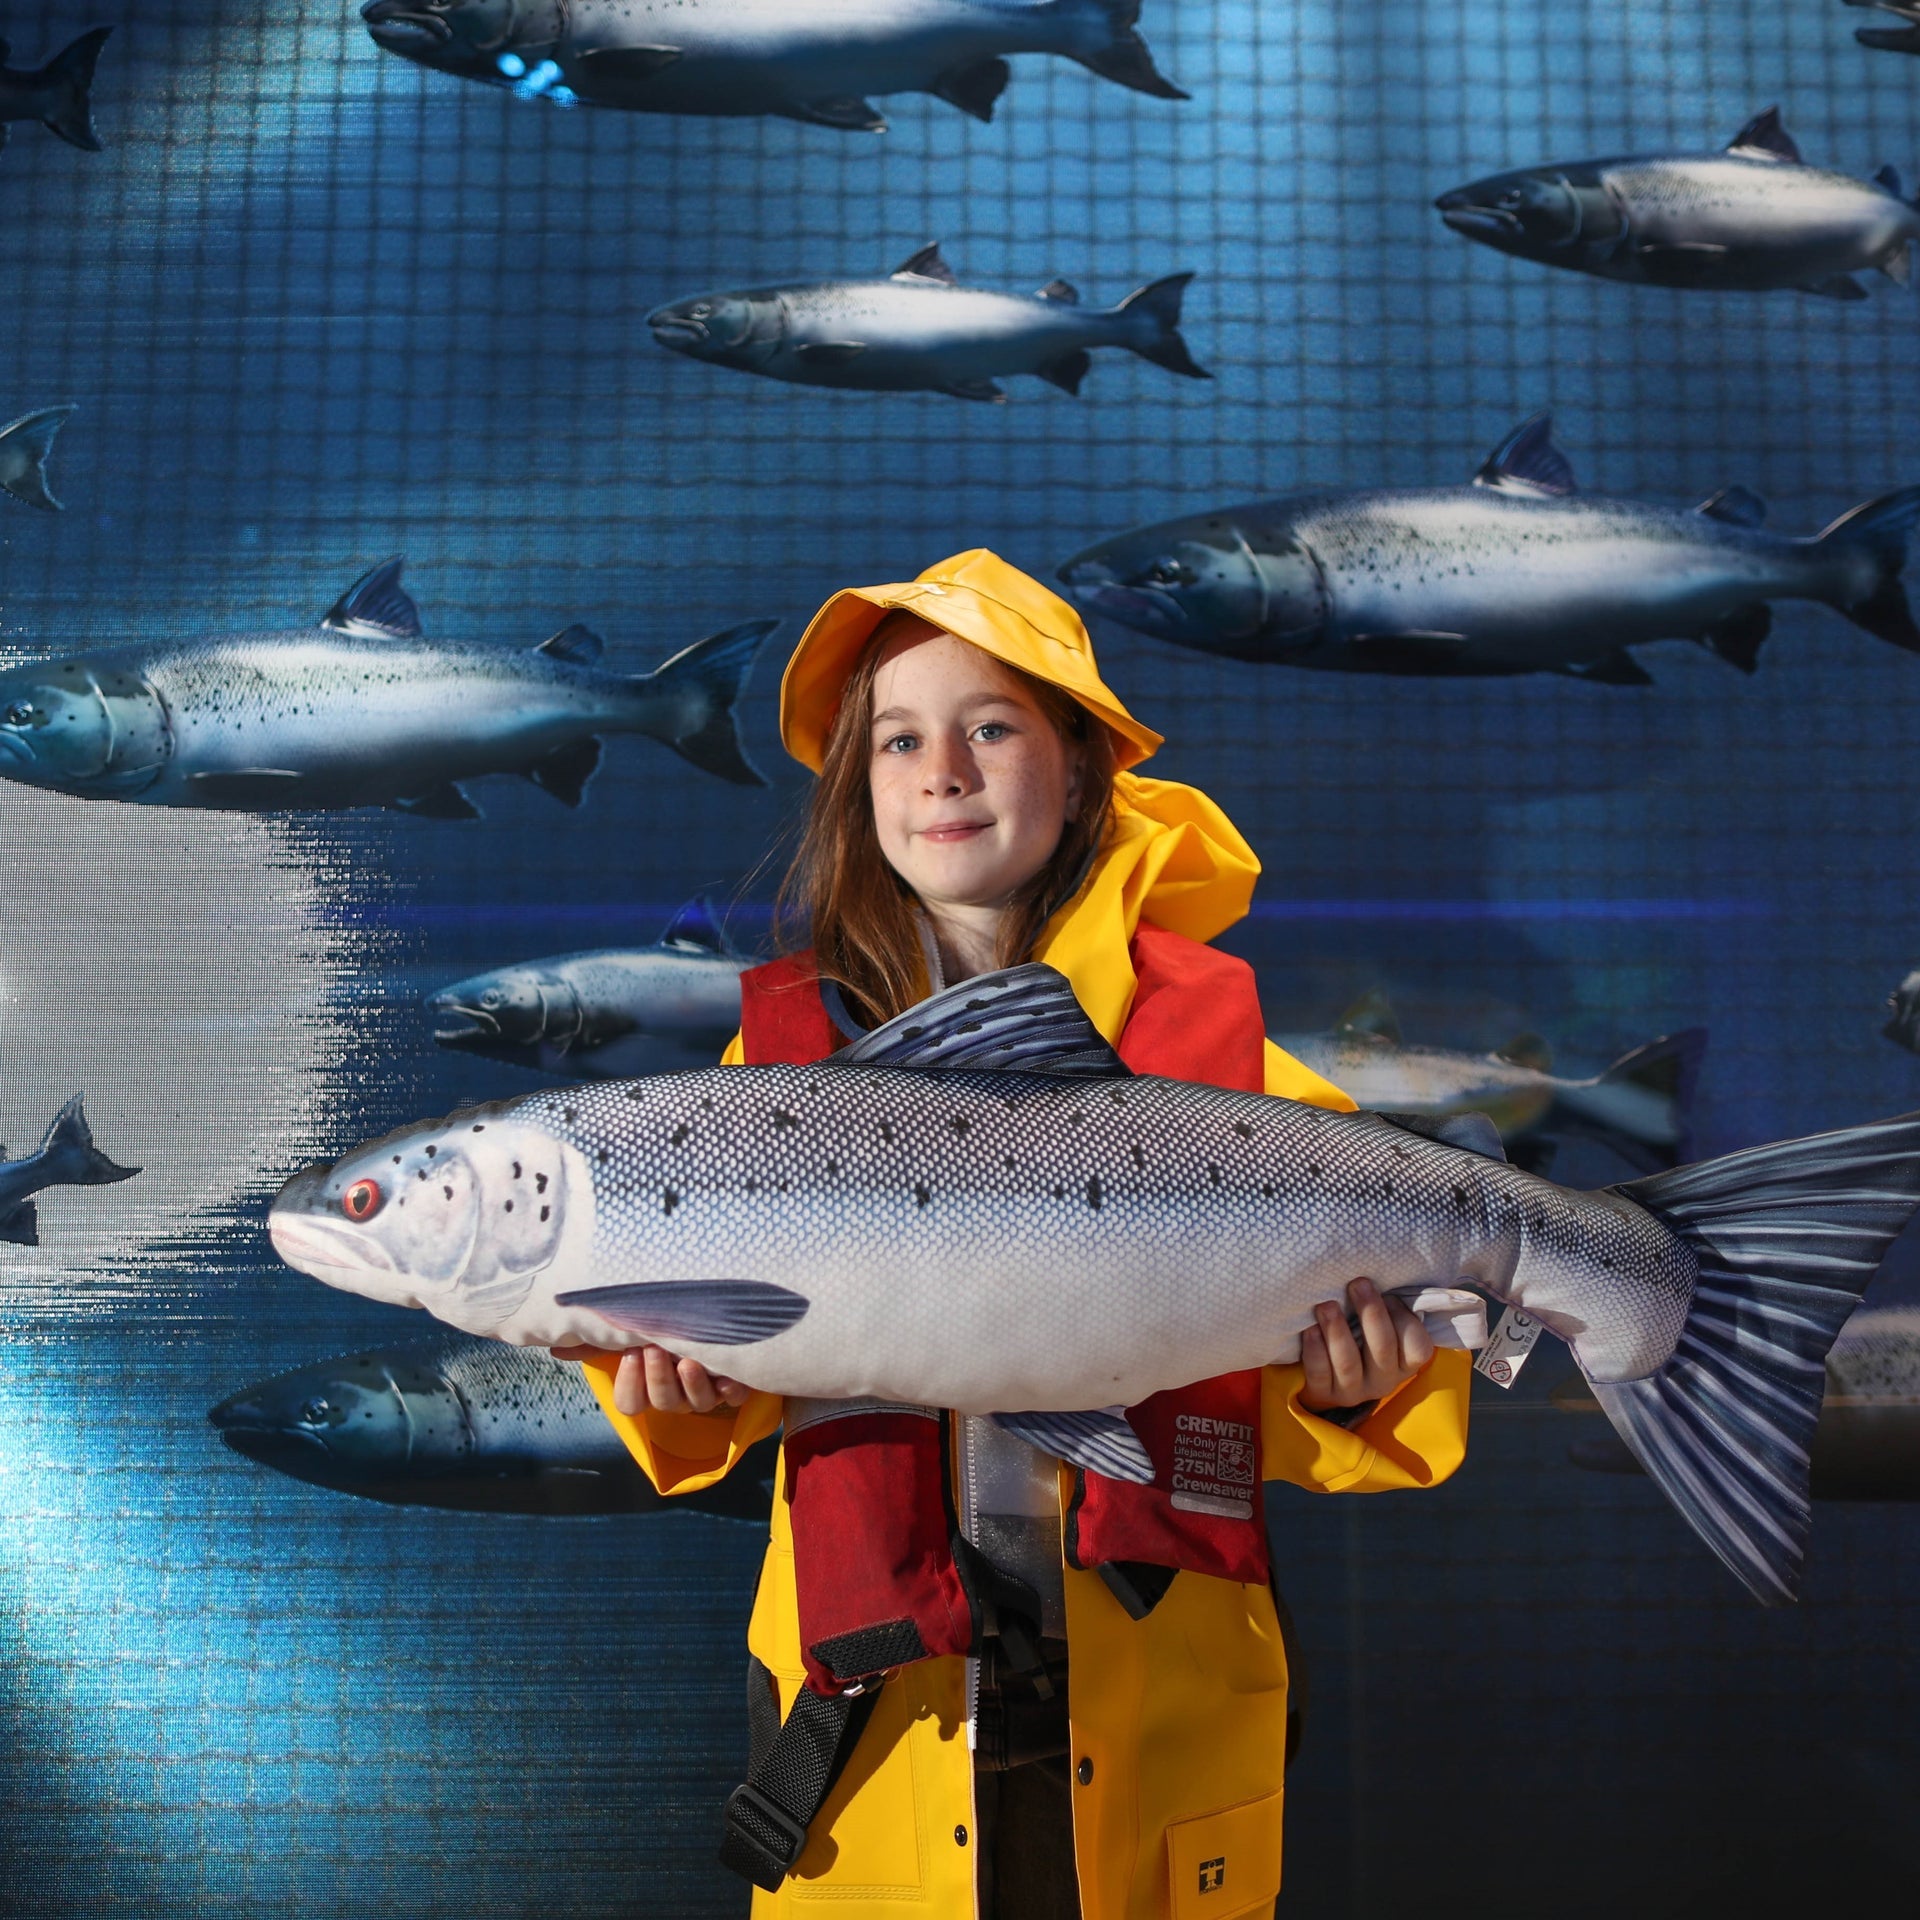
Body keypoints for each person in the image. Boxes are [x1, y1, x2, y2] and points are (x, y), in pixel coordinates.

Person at [563, 550, 1471, 1920]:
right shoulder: (779, 1061)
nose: (944, 773)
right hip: (877, 1726)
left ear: (1082, 765)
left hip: (1156, 1710)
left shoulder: (1228, 1068)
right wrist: (683, 1395)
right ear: (858, 790)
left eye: (992, 727)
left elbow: (1355, 1368)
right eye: (899, 739)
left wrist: (1365, 1382)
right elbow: (717, 1372)